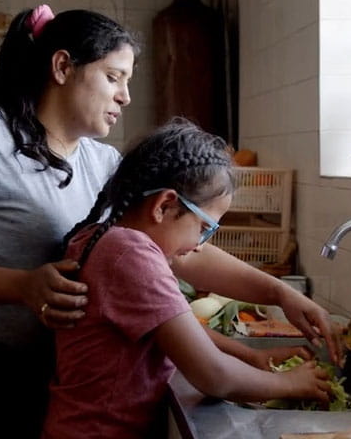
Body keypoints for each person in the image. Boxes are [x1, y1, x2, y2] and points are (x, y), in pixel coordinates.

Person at [0, 4, 340, 439]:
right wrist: (23, 285)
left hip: (45, 372)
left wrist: (279, 293)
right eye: (113, 77)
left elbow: (176, 253)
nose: (125, 96)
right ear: (63, 67)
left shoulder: (103, 162)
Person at [42, 118, 331, 439]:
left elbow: (173, 328)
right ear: (164, 205)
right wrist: (290, 383)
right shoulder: (130, 254)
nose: (199, 244)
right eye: (204, 228)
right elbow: (213, 375)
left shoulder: (103, 238)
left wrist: (251, 354)